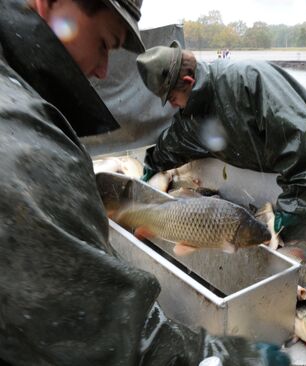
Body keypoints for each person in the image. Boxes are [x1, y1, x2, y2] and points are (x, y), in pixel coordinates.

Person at [0, 0, 289, 365]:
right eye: (105, 43)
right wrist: (234, 358)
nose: (103, 71)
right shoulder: (24, 146)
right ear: (49, 4)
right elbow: (113, 334)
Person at [137, 42, 306, 235]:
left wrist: (294, 205)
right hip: (272, 181)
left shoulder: (249, 79)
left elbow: (301, 141)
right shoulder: (193, 111)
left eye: (172, 99)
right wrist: (153, 162)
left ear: (188, 81)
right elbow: (177, 139)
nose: (172, 106)